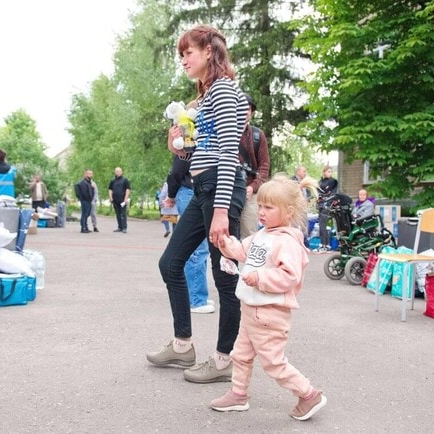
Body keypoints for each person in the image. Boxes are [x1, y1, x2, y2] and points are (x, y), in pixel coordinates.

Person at [146, 24, 248, 383]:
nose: (184, 60)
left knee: (225, 278)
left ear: (208, 51)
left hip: (220, 190)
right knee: (171, 262)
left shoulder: (222, 90)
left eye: (188, 52)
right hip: (203, 187)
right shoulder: (204, 98)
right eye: (181, 54)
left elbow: (227, 154)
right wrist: (179, 145)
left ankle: (224, 361)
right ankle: (182, 344)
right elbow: (202, 153)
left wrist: (220, 211)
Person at [210, 174, 326, 421]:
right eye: (260, 206)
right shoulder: (262, 235)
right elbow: (242, 252)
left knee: (273, 363)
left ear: (288, 211)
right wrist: (225, 243)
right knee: (240, 355)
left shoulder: (287, 242)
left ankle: (308, 394)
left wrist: (261, 278)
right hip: (251, 309)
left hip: (270, 314)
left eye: (268, 207)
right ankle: (238, 394)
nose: (261, 212)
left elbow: (289, 276)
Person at [165, 155, 214, 314]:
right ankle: (196, 299)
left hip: (197, 190)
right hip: (189, 191)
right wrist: (171, 195)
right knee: (197, 249)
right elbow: (177, 171)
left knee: (202, 246)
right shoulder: (189, 140)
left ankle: (198, 293)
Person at [238, 94, 270, 238]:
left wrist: (252, 187)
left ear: (251, 112)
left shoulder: (257, 135)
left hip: (249, 194)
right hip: (226, 193)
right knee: (225, 238)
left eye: (248, 108)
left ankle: (249, 261)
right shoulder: (222, 132)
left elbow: (264, 166)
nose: (244, 111)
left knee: (249, 237)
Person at [316, 166, 338, 252]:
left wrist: (324, 196)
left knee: (323, 225)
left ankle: (324, 245)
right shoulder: (320, 182)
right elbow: (318, 192)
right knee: (323, 226)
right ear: (324, 172)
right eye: (328, 171)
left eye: (330, 172)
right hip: (321, 205)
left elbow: (332, 194)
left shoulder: (333, 181)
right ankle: (325, 244)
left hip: (328, 205)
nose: (330, 173)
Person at [108, 167, 131, 233]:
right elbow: (110, 189)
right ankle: (119, 227)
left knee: (123, 214)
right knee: (118, 214)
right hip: (115, 200)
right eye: (117, 171)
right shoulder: (112, 180)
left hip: (122, 200)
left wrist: (125, 199)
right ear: (115, 172)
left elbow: (128, 189)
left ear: (121, 172)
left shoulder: (125, 180)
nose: (118, 172)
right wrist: (111, 198)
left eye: (119, 171)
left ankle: (124, 228)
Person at [74, 169, 94, 234]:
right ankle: (83, 227)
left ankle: (85, 226)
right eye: (89, 173)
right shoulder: (83, 182)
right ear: (85, 174)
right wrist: (88, 198)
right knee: (85, 214)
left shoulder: (88, 182)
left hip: (88, 200)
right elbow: (84, 193)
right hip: (85, 201)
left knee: (87, 214)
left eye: (91, 174)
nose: (91, 175)